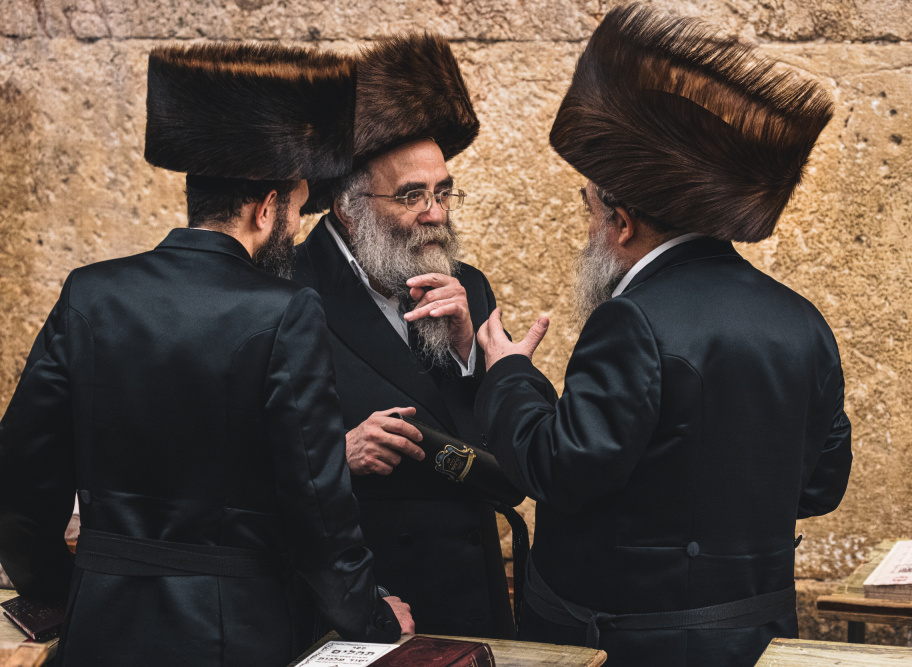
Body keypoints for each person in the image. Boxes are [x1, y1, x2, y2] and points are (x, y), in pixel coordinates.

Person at [0, 43, 412, 666]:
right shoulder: (286, 311)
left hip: (97, 630)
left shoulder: (89, 293)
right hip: (234, 636)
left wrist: (65, 589)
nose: (295, 228)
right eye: (296, 209)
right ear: (266, 207)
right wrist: (370, 617)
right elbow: (318, 509)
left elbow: (20, 481)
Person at [473, 5, 853, 666]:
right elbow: (821, 484)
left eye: (589, 208)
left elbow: (561, 469)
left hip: (634, 648)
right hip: (758, 642)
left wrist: (509, 374)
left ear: (622, 221)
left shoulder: (632, 321)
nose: (588, 227)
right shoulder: (802, 320)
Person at [293, 33, 518, 639]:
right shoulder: (287, 290)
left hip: (470, 587)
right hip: (366, 594)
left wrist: (470, 351)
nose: (436, 213)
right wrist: (336, 455)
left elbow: (502, 452)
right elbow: (238, 464)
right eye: (412, 195)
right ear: (347, 206)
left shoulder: (468, 286)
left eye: (442, 191)